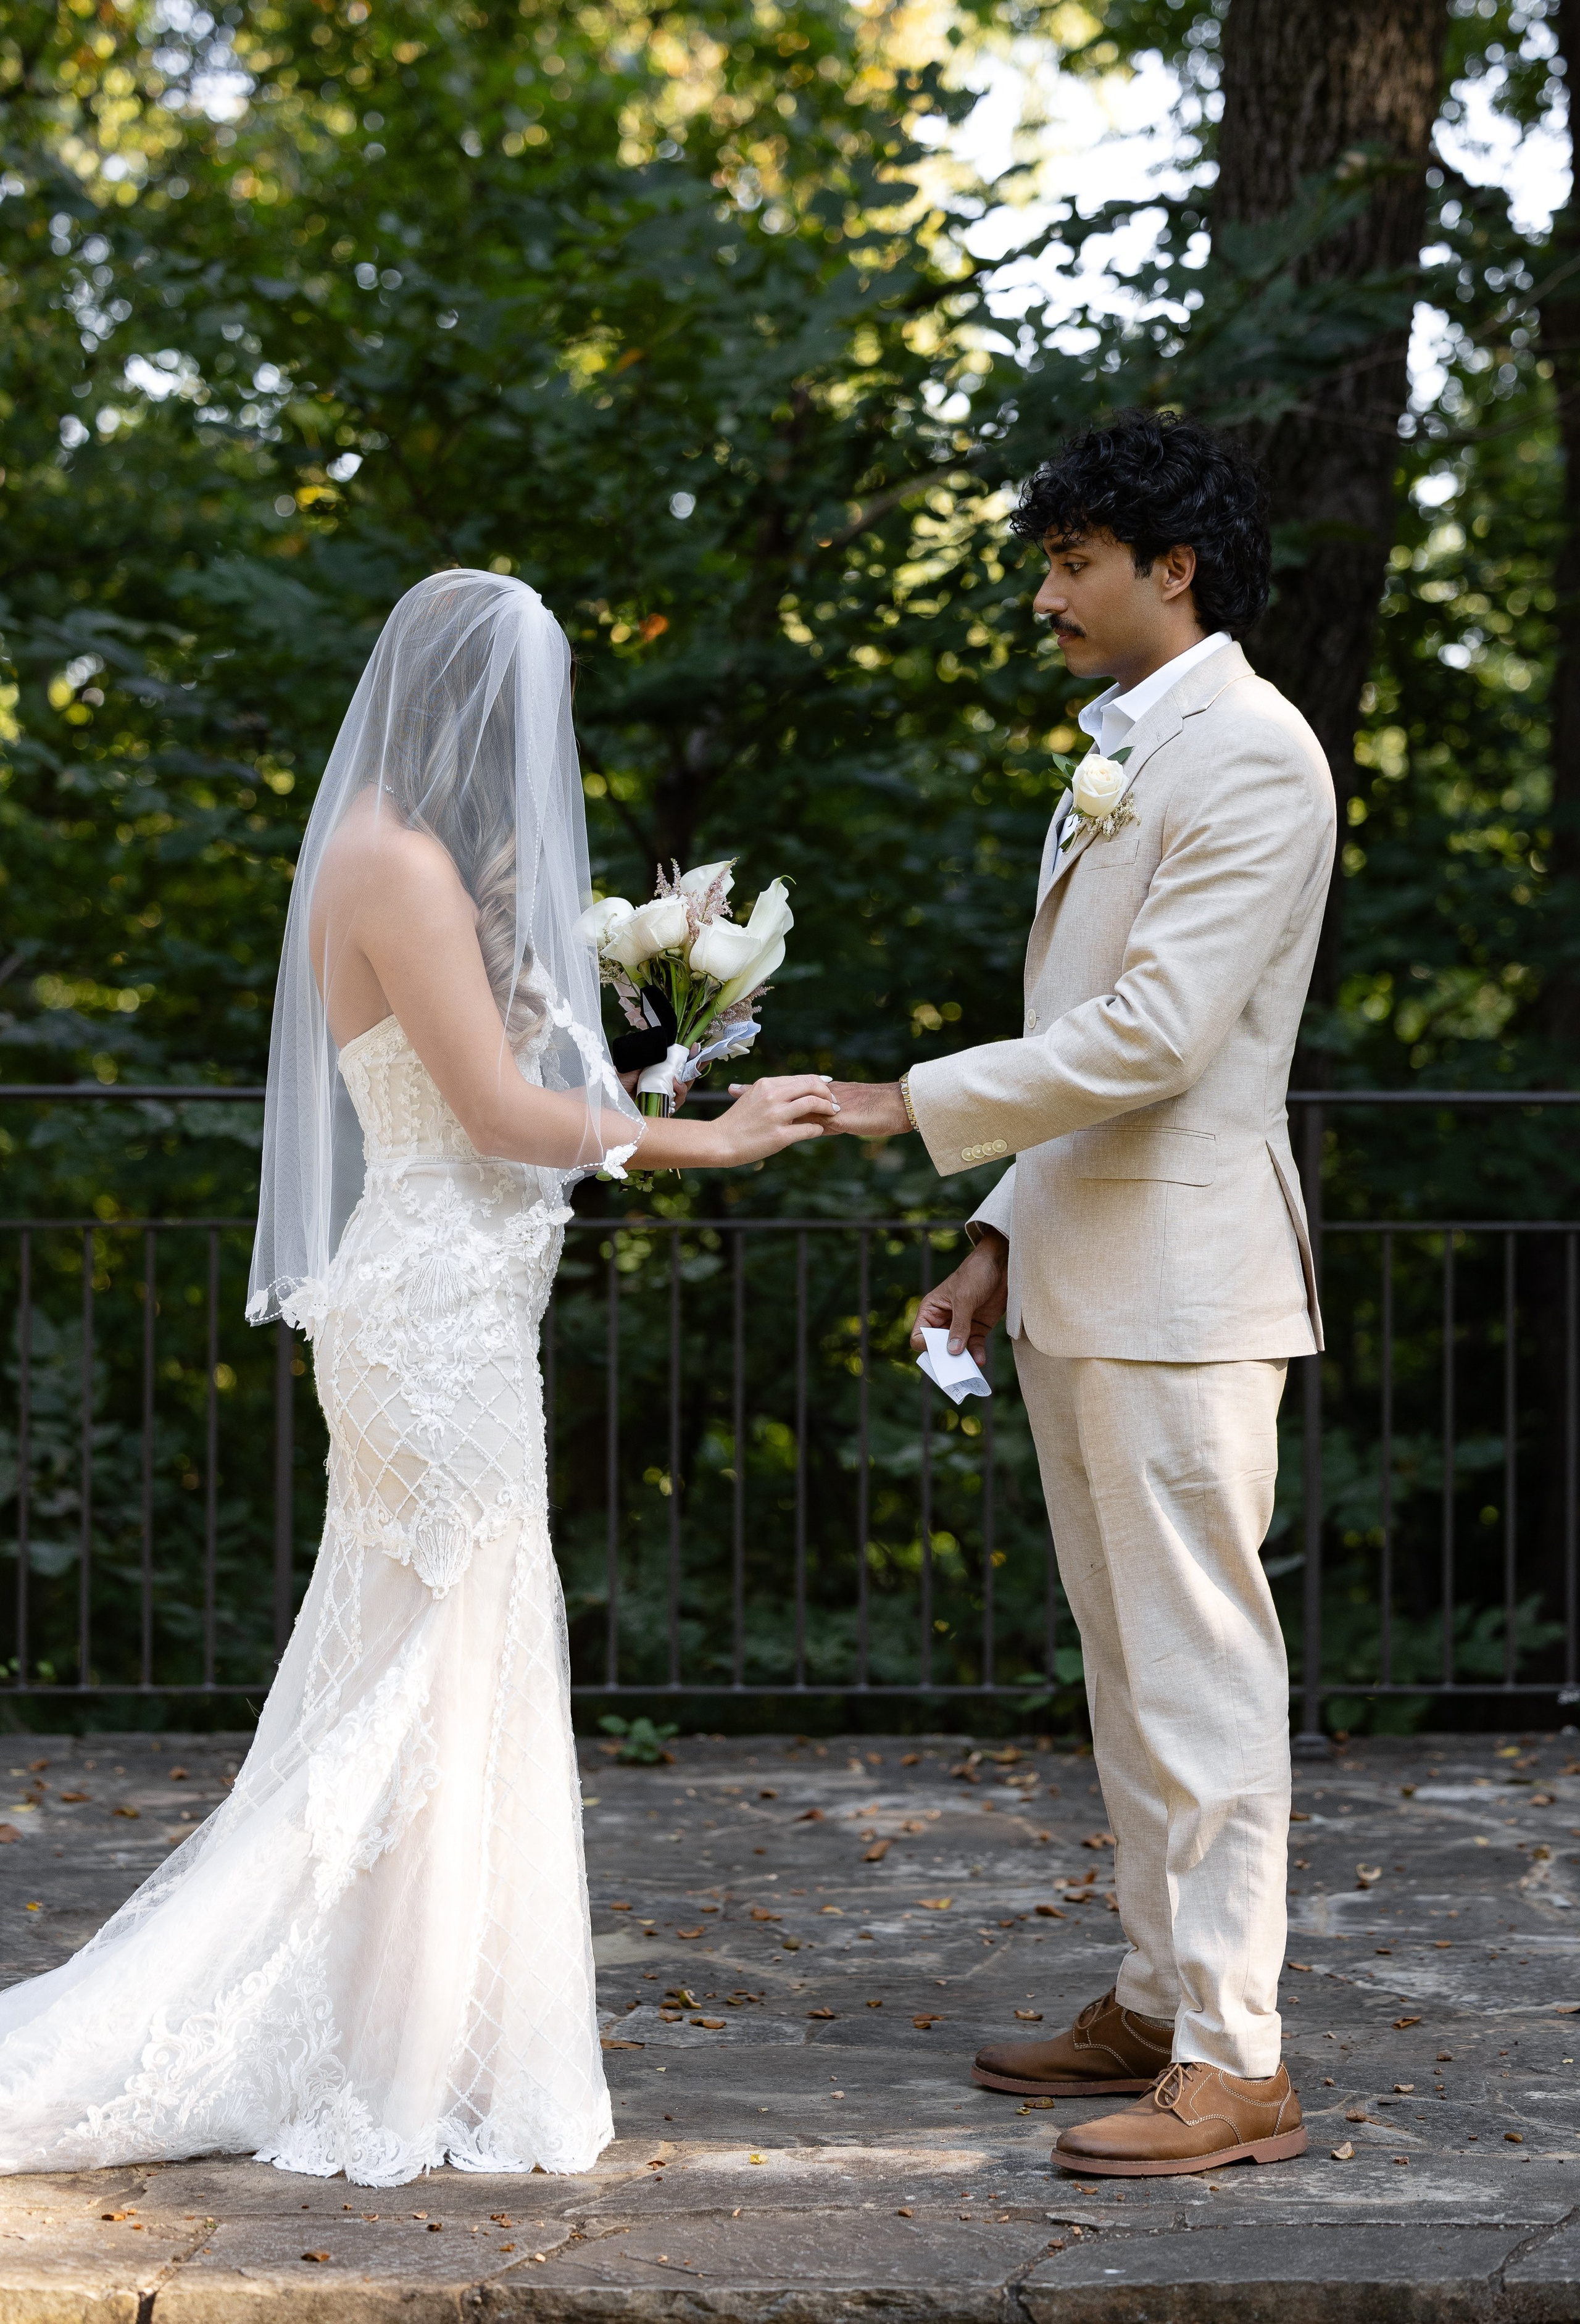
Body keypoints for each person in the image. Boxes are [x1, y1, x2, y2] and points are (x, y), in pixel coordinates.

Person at [0, 569, 834, 2185]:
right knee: (444, 1659)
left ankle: (412, 2026)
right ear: (474, 703)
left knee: (444, 1662)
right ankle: (372, 2040)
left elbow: (520, 1078)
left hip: (456, 1305)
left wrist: (644, 1028)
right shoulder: (392, 856)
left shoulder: (425, 857)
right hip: (429, 1315)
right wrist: (705, 1141)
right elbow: (506, 1119)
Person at [828, 410, 1334, 2178]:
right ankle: (1155, 2000)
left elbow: (1158, 1040)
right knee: (1129, 1679)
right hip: (1085, 1273)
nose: (1048, 595)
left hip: (1191, 1291)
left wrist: (911, 1099)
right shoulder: (1129, 748)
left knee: (1204, 1681)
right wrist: (997, 1238)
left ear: (1169, 569)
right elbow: (1091, 1056)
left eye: (1071, 563)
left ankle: (1240, 2062)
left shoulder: (1253, 756)